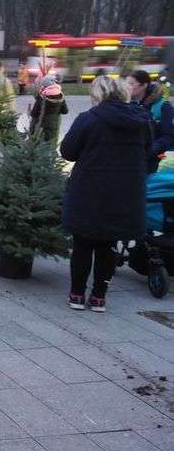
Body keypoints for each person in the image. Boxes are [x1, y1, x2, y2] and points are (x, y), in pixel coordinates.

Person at [60, 76, 151, 312]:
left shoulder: (89, 119)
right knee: (108, 243)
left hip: (89, 189)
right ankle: (99, 297)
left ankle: (77, 294)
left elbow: (68, 151)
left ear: (98, 94)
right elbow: (148, 153)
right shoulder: (142, 120)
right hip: (125, 192)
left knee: (82, 243)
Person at [130, 70, 173, 174]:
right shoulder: (128, 104)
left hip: (153, 163)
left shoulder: (163, 106)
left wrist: (148, 150)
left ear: (143, 85)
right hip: (132, 161)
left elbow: (167, 137)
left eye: (131, 83)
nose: (127, 86)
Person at [29, 74, 68, 143]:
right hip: (54, 125)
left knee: (41, 145)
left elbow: (34, 113)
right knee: (51, 143)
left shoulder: (42, 96)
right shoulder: (60, 95)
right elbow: (65, 111)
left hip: (42, 126)